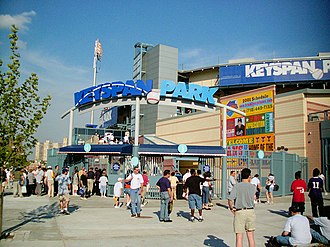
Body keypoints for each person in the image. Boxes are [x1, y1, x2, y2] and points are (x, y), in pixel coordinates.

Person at [228, 168, 256, 247]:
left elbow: (230, 199)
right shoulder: (252, 187)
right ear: (249, 176)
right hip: (250, 211)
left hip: (240, 211)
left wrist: (231, 208)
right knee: (250, 236)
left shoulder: (237, 186)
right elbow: (254, 198)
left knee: (239, 237)